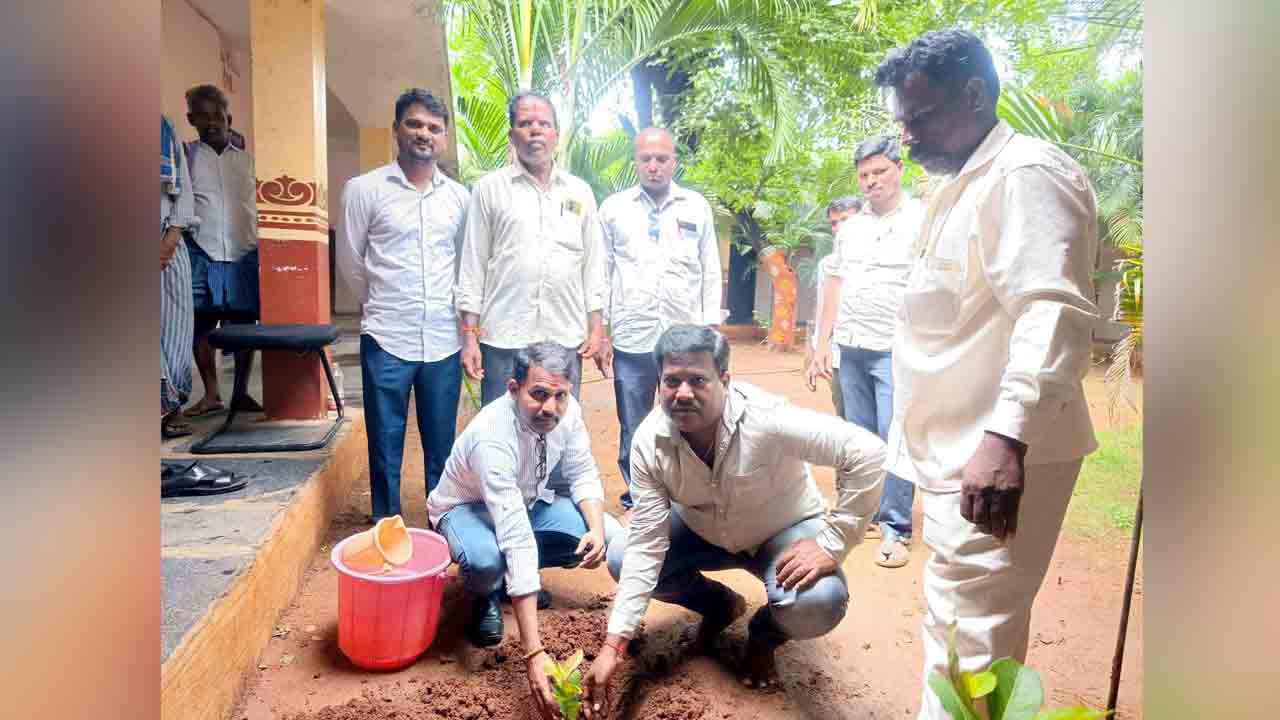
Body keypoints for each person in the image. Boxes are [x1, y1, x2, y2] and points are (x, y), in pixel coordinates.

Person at [874, 29, 1100, 719]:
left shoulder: (1024, 175)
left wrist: (1006, 438)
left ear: (974, 94)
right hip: (960, 451)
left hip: (998, 455)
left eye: (920, 116)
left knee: (971, 643)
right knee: (961, 631)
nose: (907, 137)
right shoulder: (962, 183)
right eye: (902, 120)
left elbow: (1052, 311)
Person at [581, 325, 886, 711]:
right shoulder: (650, 442)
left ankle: (764, 635)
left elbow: (868, 453)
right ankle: (719, 606)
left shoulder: (767, 418)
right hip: (703, 532)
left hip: (783, 531)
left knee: (818, 602)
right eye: (672, 381)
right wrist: (613, 646)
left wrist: (833, 541)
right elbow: (646, 544)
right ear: (659, 383)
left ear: (724, 380)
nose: (683, 393)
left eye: (698, 380)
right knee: (623, 556)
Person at [427, 342, 620, 719]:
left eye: (560, 396)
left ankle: (515, 584)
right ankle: (486, 594)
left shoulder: (568, 412)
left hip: (527, 505)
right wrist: (533, 654)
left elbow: (582, 472)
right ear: (513, 389)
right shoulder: (492, 435)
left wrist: (596, 529)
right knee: (486, 561)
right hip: (467, 510)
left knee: (606, 537)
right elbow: (516, 537)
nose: (551, 407)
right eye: (539, 394)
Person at [338, 89, 470, 523]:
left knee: (441, 444)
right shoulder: (364, 190)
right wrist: (382, 303)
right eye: (414, 124)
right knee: (384, 441)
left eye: (434, 128)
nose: (423, 134)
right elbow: (351, 262)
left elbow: (462, 264)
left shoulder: (459, 199)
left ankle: (441, 523)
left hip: (443, 340)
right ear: (396, 130)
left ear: (444, 138)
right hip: (386, 337)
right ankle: (387, 525)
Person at [808, 135, 926, 569]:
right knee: (859, 438)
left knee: (895, 437)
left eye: (880, 171)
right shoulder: (852, 228)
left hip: (897, 349)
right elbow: (834, 283)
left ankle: (895, 527)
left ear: (900, 169)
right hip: (852, 346)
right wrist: (823, 342)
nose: (872, 181)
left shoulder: (922, 220)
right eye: (864, 175)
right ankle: (865, 515)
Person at [597, 127, 722, 511]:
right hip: (632, 336)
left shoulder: (695, 207)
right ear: (636, 161)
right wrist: (602, 330)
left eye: (662, 159)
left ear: (674, 161)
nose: (654, 166)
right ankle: (640, 495)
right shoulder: (614, 209)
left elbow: (710, 269)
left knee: (688, 416)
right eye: (646, 159)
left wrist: (710, 330)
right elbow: (602, 271)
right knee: (633, 422)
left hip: (685, 340)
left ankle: (687, 495)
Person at [457, 91, 607, 406]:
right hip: (504, 338)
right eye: (525, 123)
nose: (535, 130)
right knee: (500, 427)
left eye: (544, 124)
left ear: (556, 135)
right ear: (512, 135)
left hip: (564, 337)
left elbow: (593, 265)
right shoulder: (489, 190)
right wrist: (469, 337)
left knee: (560, 425)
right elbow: (473, 265)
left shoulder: (580, 192)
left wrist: (597, 328)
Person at [181, 84, 262, 418]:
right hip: (202, 250)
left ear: (229, 118)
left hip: (243, 252)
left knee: (245, 325)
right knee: (200, 324)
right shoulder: (187, 158)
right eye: (204, 116)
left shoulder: (249, 162)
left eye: (218, 115)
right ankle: (212, 394)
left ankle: (240, 393)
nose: (212, 122)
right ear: (192, 120)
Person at [804, 195, 863, 420]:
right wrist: (816, 349)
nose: (839, 228)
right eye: (834, 223)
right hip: (838, 355)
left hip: (880, 352)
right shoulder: (827, 265)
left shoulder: (884, 259)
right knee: (845, 416)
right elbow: (823, 309)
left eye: (845, 220)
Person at [162, 113, 196, 438]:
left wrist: (170, 239)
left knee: (176, 326)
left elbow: (183, 192)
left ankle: (173, 406)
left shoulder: (165, 129)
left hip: (168, 237)